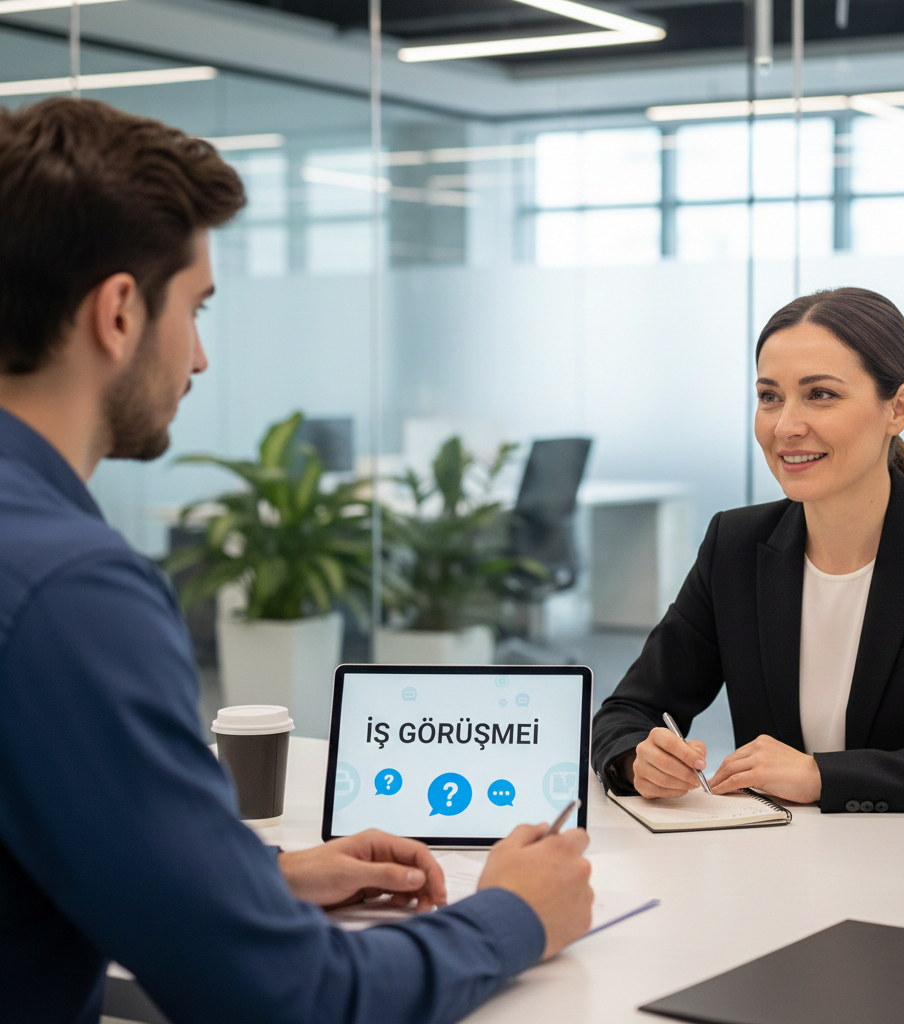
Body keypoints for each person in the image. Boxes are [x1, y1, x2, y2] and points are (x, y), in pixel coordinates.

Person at [0, 97, 592, 1024]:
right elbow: (294, 998)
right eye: (194, 309)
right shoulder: (70, 591)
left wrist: (257, 877)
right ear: (118, 312)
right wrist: (512, 914)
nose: (198, 358)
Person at [592, 287, 904, 814]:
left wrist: (824, 776)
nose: (785, 426)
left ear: (899, 407)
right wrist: (638, 759)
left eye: (820, 394)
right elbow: (626, 712)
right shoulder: (736, 546)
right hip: (778, 870)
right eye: (770, 396)